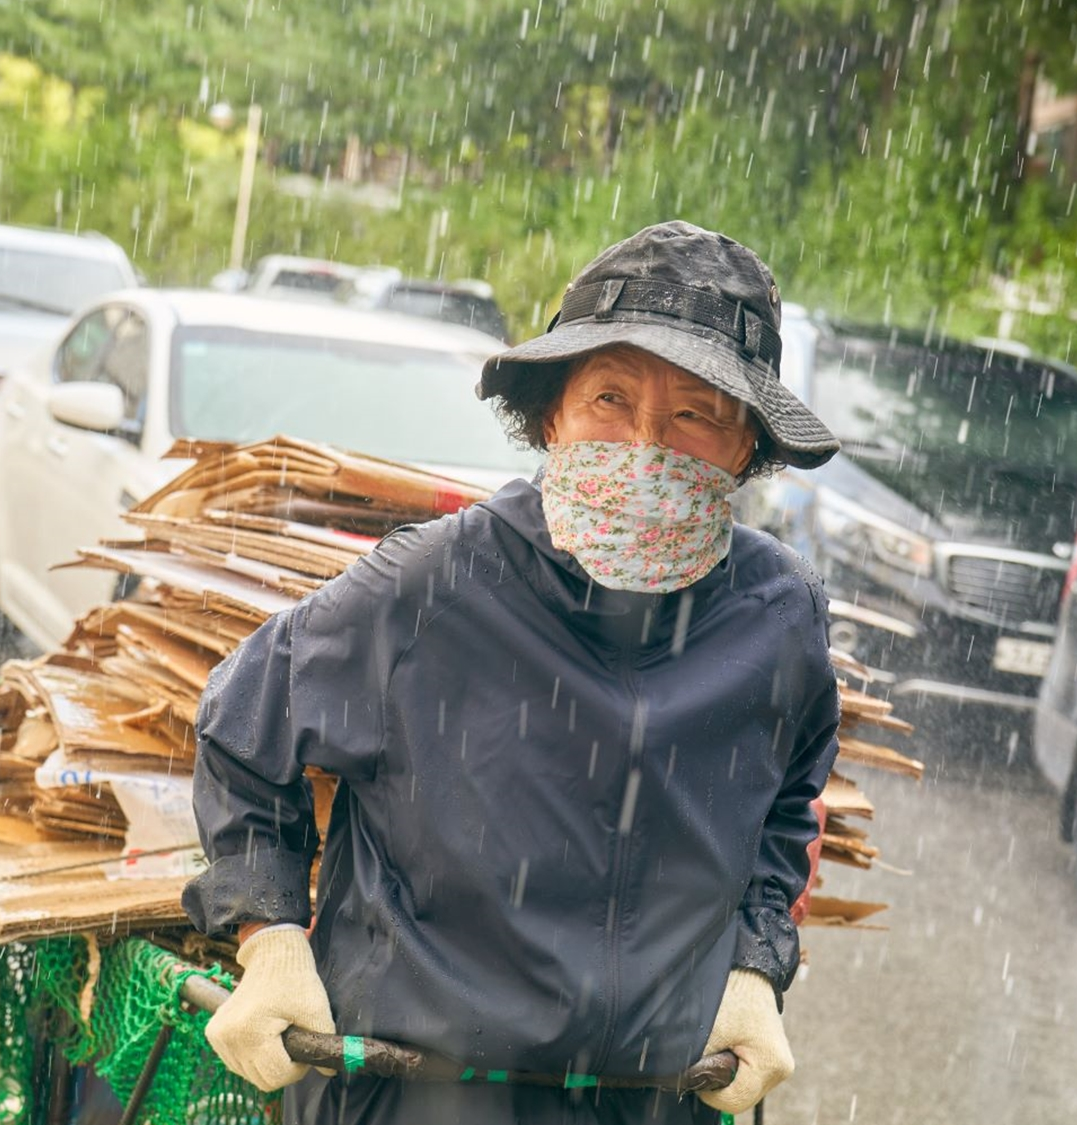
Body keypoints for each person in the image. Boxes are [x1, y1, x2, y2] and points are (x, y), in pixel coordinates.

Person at [183, 221, 844, 1124]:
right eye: (610, 398)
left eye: (696, 412)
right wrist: (269, 939)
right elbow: (241, 728)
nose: (645, 444)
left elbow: (788, 804)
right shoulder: (432, 586)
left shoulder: (779, 616)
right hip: (414, 1093)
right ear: (551, 418)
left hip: (651, 1106)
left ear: (746, 449)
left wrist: (754, 966)